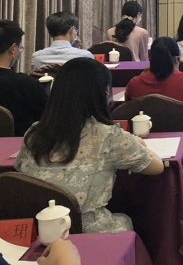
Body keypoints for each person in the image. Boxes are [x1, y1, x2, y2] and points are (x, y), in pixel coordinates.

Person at [15, 58, 164, 233]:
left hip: (40, 228)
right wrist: (138, 143)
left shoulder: (34, 133)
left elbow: (19, 173)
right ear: (103, 94)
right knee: (127, 220)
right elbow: (157, 167)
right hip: (88, 229)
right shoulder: (108, 135)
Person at [0, 20, 47, 136]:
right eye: (20, 48)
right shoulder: (26, 84)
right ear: (13, 48)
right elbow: (48, 119)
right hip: (18, 145)